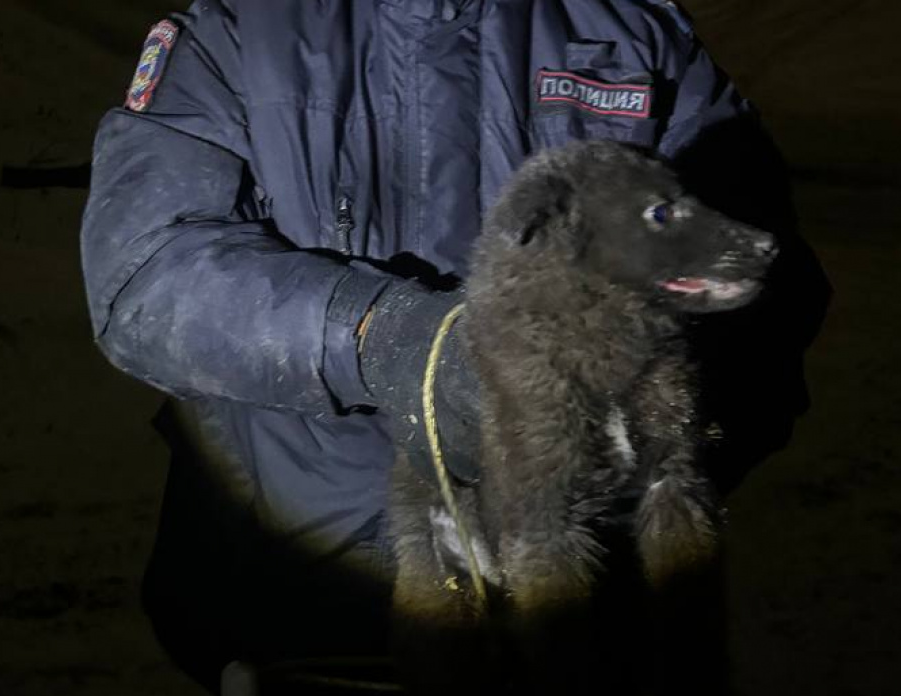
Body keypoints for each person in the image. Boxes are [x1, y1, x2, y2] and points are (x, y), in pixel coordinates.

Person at [80, 1, 829, 692]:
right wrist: (384, 339)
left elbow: (764, 285)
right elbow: (147, 271)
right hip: (303, 608)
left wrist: (655, 420)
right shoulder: (239, 33)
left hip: (588, 622)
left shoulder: (636, 36)